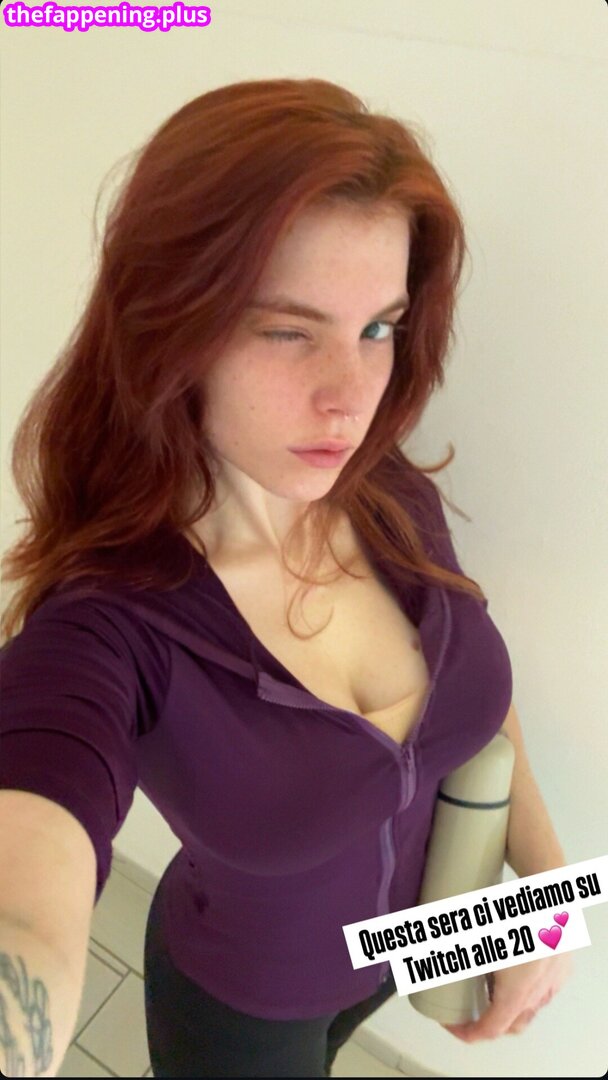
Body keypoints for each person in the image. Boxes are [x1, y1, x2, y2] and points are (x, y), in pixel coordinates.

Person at [0, 78, 572, 1078]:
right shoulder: (106, 629)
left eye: (378, 329)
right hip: (240, 1010)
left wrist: (542, 901)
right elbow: (27, 872)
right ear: (166, 326)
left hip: (402, 957)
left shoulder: (391, 493)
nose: (349, 397)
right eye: (285, 329)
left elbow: (476, 699)